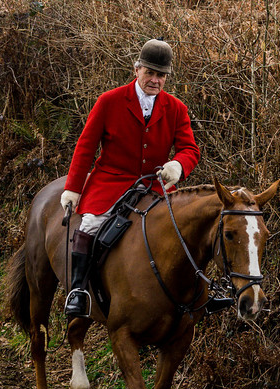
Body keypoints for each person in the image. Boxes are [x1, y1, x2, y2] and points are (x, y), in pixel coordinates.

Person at [60, 38, 201, 318]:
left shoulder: (176, 108)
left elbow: (190, 149)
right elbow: (86, 147)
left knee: (180, 232)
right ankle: (78, 291)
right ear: (136, 69)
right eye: (150, 72)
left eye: (161, 75)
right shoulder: (109, 101)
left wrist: (178, 166)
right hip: (111, 181)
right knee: (90, 224)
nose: (155, 80)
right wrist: (73, 189)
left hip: (153, 185)